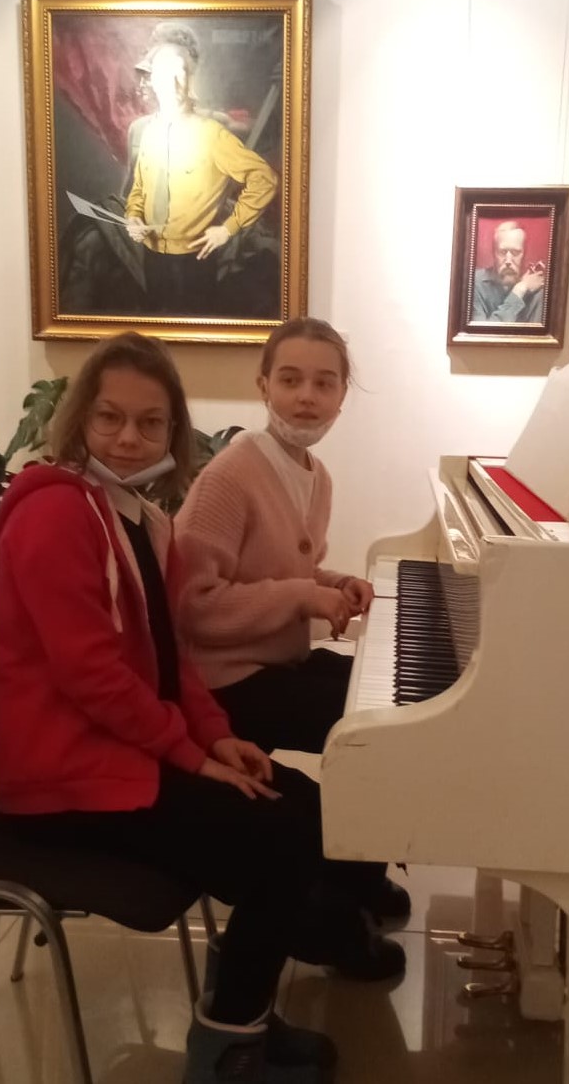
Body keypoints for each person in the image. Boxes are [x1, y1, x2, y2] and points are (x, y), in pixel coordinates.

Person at [0, 332, 396, 1084]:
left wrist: (214, 736)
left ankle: (241, 1005)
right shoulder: (55, 514)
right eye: (109, 418)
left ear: (173, 430)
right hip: (62, 774)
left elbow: (172, 661)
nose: (128, 438)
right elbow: (92, 678)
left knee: (300, 806)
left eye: (150, 422)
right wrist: (189, 753)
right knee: (279, 835)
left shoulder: (138, 517)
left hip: (115, 746)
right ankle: (229, 1047)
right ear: (79, 418)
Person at [175, 317, 411, 927]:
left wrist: (334, 583)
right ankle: (346, 882)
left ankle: (358, 871)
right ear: (263, 387)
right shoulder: (229, 477)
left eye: (324, 383)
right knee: (368, 729)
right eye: (290, 380)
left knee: (386, 703)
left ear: (341, 396)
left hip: (275, 659)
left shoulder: (314, 475)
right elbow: (193, 606)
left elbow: (286, 569)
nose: (307, 396)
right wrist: (305, 596)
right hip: (224, 680)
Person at [124, 23, 279, 315]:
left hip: (194, 263)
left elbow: (264, 178)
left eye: (181, 72)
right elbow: (139, 188)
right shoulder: (147, 132)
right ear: (152, 79)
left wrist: (228, 229)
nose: (174, 82)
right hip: (152, 258)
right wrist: (133, 216)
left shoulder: (212, 134)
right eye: (164, 73)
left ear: (190, 77)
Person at [471, 220, 545, 323]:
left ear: (525, 254)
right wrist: (519, 289)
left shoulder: (537, 288)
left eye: (515, 252)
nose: (508, 261)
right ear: (493, 253)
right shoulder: (475, 283)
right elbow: (481, 331)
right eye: (502, 252)